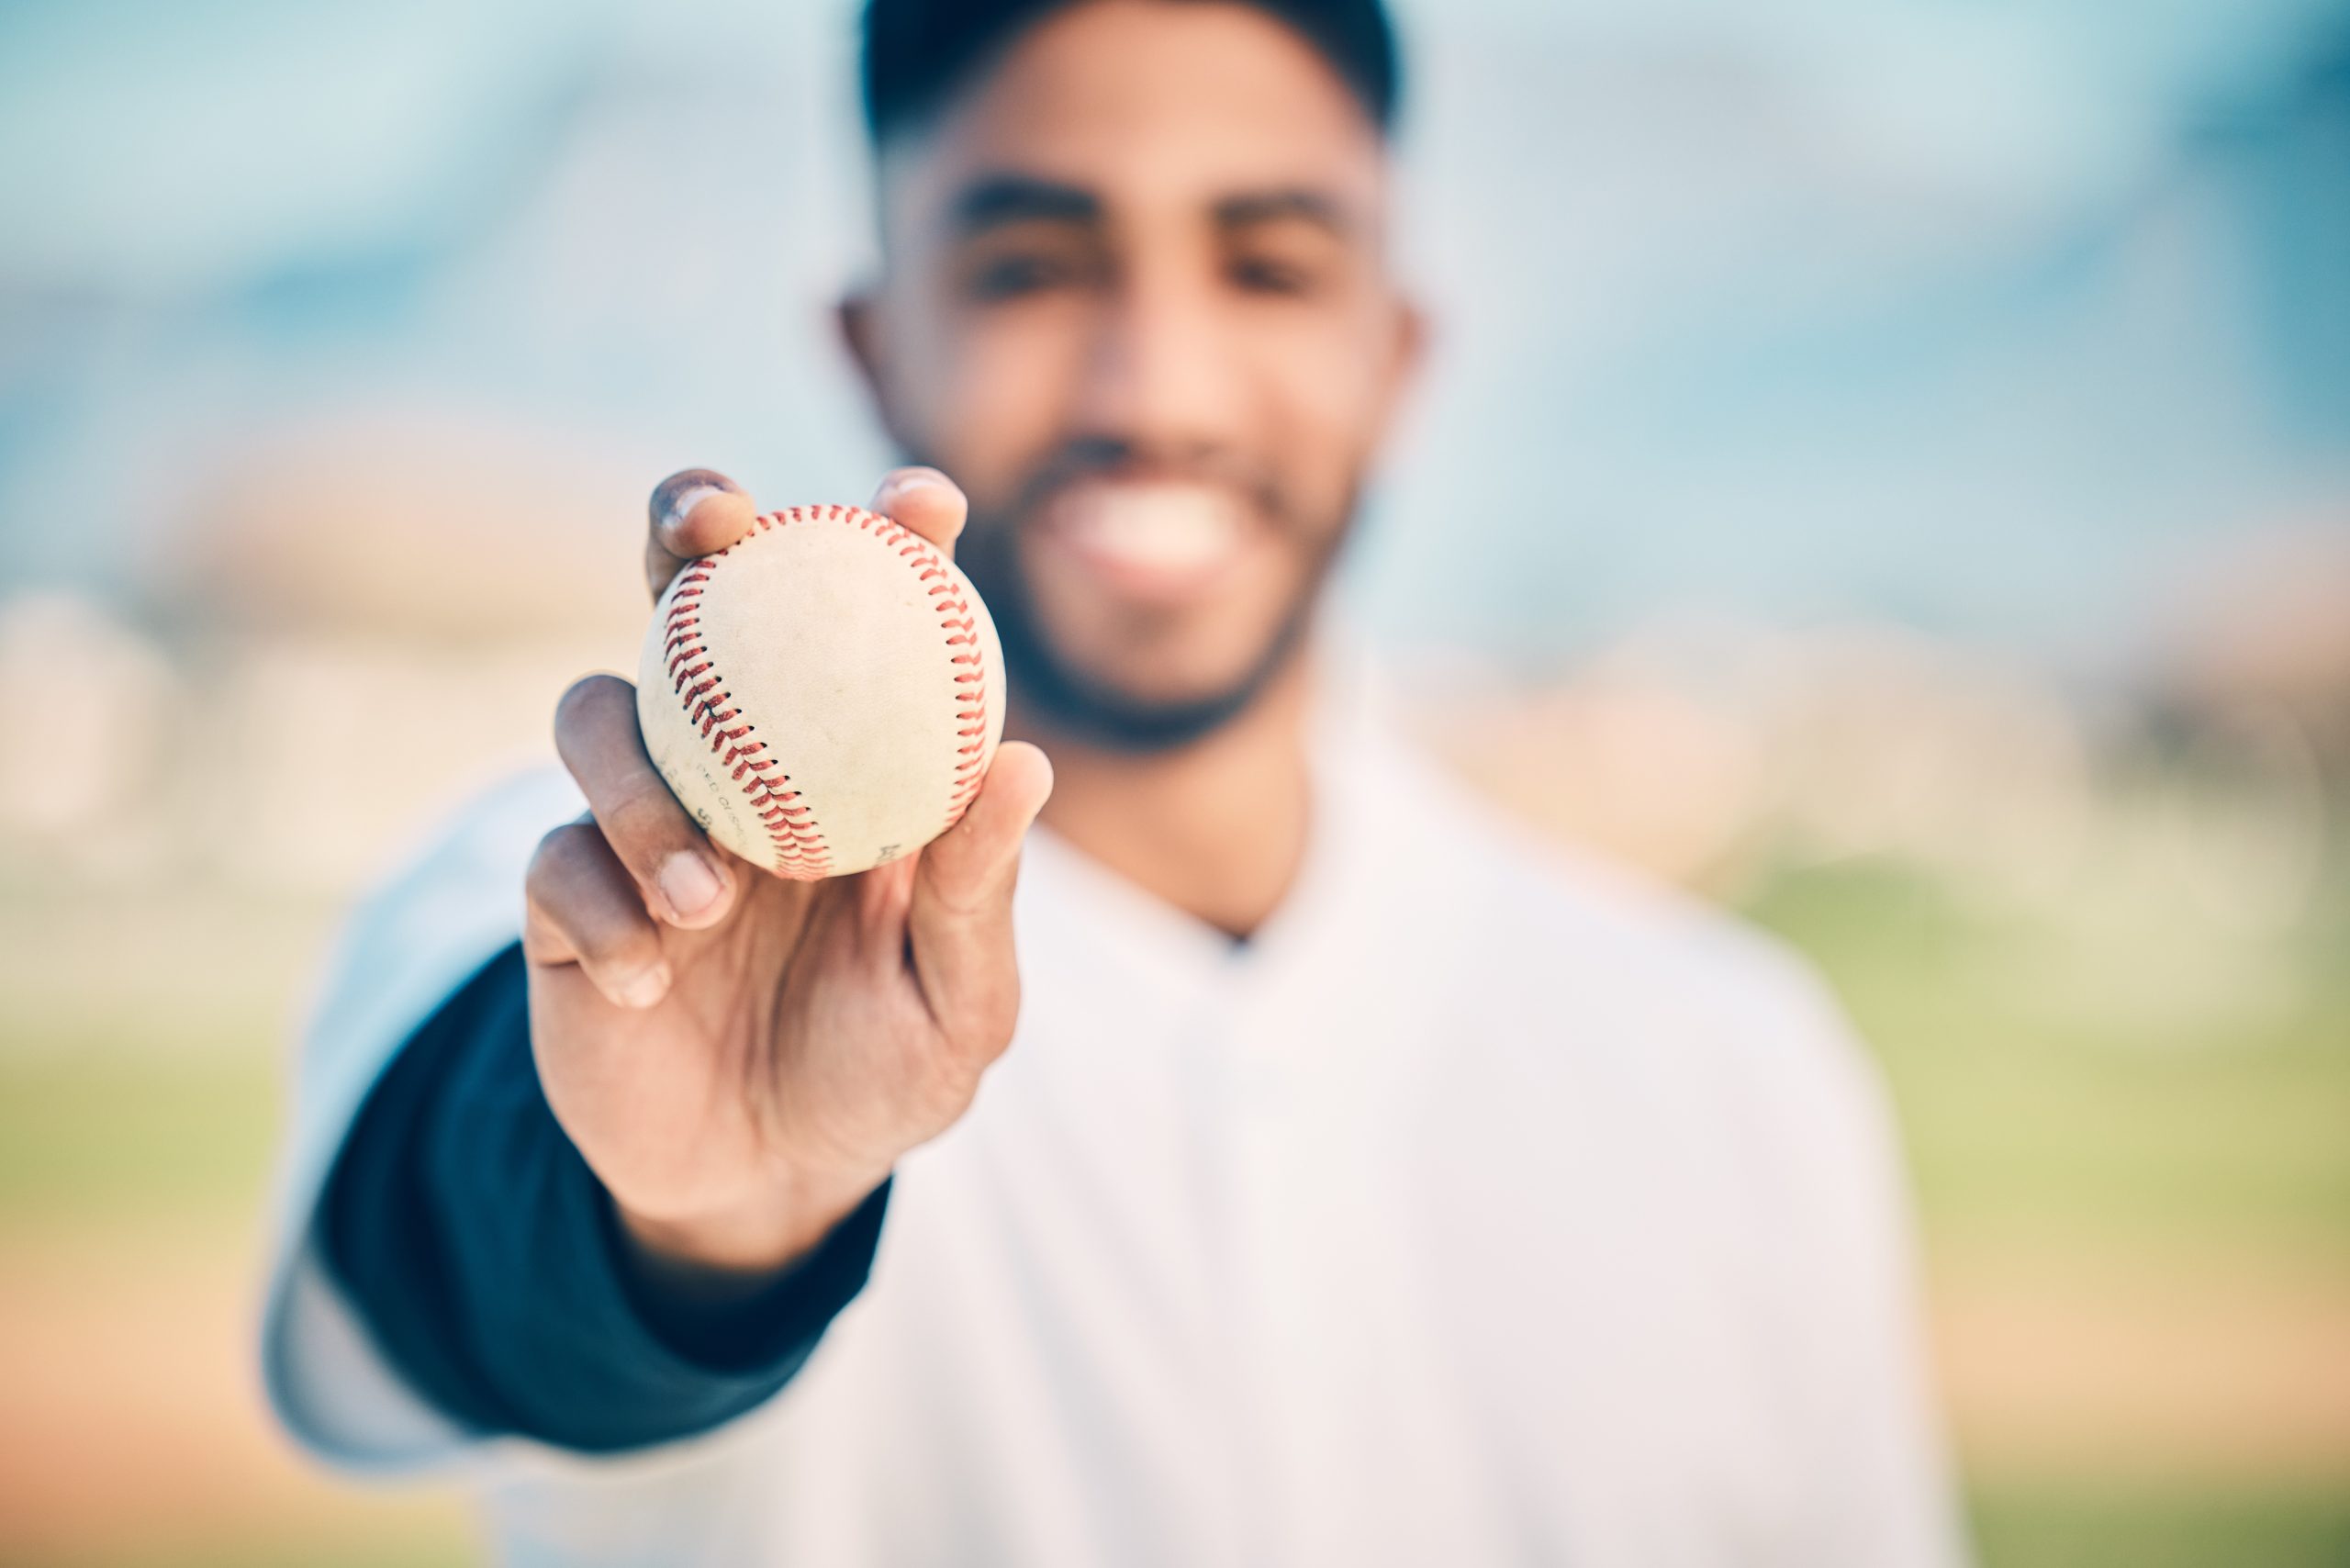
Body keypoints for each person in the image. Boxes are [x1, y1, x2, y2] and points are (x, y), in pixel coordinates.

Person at [261, 1, 1966, 1562]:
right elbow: (469, 1247)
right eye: (1033, 267)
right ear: (874, 348)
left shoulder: (1732, 1063)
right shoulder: (610, 894)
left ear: (1401, 355)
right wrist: (701, 1230)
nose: (1155, 384)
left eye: (1271, 267)